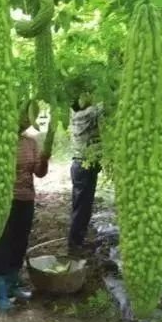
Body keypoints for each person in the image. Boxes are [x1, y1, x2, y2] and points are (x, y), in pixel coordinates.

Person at [0, 113, 50, 311]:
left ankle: (12, 285)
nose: (24, 121)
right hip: (3, 201)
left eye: (26, 118)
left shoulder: (31, 143)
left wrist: (45, 157)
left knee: (19, 243)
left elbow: (39, 172)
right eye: (20, 117)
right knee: (3, 244)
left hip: (26, 199)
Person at [68, 91, 104, 255]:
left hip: (81, 165)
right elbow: (106, 107)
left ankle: (78, 241)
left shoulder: (75, 113)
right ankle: (75, 244)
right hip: (84, 166)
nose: (91, 96)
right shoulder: (85, 114)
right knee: (82, 207)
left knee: (83, 205)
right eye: (86, 94)